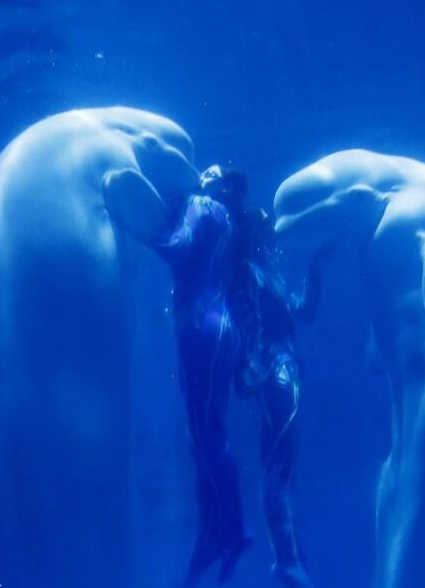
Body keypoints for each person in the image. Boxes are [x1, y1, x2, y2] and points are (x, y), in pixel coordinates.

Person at [153, 165, 253, 586]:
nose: (203, 170)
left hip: (200, 329)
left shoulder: (201, 205)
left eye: (212, 171)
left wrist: (146, 230)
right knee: (206, 434)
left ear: (225, 186)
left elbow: (178, 247)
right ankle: (212, 534)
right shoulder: (229, 220)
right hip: (223, 329)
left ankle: (234, 526)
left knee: (207, 433)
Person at [238, 209, 326, 588]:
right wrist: (253, 369)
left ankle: (290, 552)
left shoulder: (262, 272)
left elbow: (302, 311)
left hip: (280, 371)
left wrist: (315, 268)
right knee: (277, 466)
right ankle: (286, 557)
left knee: (284, 468)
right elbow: (247, 324)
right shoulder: (245, 270)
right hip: (273, 373)